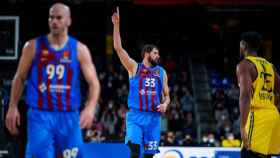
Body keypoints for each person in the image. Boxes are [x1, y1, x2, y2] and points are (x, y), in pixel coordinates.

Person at [5, 3, 100, 158]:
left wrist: (90, 107)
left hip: (69, 116)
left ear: (68, 21)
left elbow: (94, 83)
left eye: (58, 18)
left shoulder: (79, 49)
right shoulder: (32, 46)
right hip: (40, 115)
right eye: (51, 17)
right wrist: (12, 106)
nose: (54, 21)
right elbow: (20, 77)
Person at [112, 7, 170, 158]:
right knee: (135, 150)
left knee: (149, 156)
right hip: (136, 116)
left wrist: (165, 104)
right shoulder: (134, 67)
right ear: (146, 53)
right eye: (155, 53)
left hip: (153, 118)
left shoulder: (161, 72)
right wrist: (116, 25)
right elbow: (118, 49)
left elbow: (167, 96)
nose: (158, 55)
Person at [236, 31, 280, 157]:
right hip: (273, 116)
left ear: (243, 45)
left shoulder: (244, 65)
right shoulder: (270, 66)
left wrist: (242, 127)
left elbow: (245, 96)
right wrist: (272, 107)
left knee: (247, 154)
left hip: (258, 117)